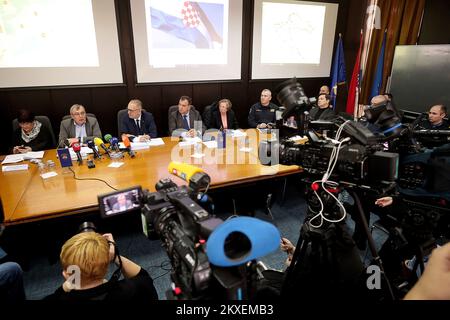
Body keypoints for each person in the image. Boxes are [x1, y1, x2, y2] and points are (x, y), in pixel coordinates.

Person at [45, 231, 158, 301]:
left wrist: (69, 283)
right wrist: (115, 257)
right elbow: (143, 278)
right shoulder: (133, 290)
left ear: (67, 274)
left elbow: (58, 295)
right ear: (106, 268)